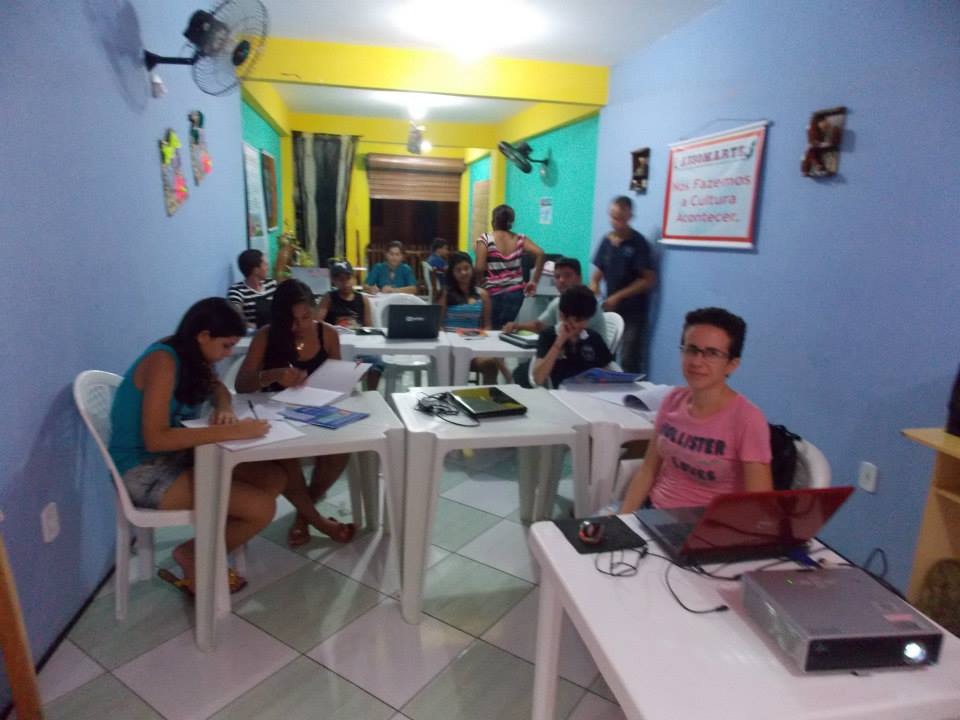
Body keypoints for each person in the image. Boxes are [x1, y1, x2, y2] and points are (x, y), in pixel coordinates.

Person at [109, 297, 286, 595]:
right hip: (143, 470)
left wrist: (223, 407)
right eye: (226, 346)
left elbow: (219, 388)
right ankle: (194, 554)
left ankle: (214, 539)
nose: (227, 354)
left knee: (273, 477)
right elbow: (156, 438)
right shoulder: (164, 360)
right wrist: (231, 432)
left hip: (177, 457)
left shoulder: (194, 355)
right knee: (262, 508)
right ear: (203, 336)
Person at [234, 280, 357, 546]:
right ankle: (317, 521)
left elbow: (337, 379)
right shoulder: (266, 336)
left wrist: (348, 377)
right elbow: (241, 384)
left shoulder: (327, 334)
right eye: (292, 320)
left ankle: (304, 514)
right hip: (276, 415)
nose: (300, 326)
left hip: (319, 412)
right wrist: (272, 375)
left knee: (340, 451)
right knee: (286, 457)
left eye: (306, 317)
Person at [620, 307, 772, 512]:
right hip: (655, 513)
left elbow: (759, 503)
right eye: (691, 350)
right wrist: (624, 519)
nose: (697, 362)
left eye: (712, 353)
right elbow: (648, 470)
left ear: (732, 364)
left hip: (710, 524)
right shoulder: (672, 400)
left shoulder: (747, 419)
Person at [589, 196, 656, 375]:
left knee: (629, 358)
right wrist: (594, 286)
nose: (615, 222)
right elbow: (597, 274)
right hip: (610, 308)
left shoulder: (638, 243)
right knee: (603, 354)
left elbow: (648, 280)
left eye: (620, 218)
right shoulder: (606, 241)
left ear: (629, 216)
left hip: (633, 311)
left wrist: (618, 296)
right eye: (613, 217)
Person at [316, 258, 383, 390]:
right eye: (340, 279)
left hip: (357, 344)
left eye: (348, 278)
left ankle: (371, 393)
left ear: (353, 278)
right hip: (336, 345)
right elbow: (317, 323)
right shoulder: (329, 298)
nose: (345, 283)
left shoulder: (362, 299)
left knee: (376, 360)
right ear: (334, 281)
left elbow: (368, 329)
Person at [475, 204, 545, 329]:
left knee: (489, 329)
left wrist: (478, 286)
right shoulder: (519, 238)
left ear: (493, 220)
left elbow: (479, 268)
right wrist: (534, 281)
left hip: (492, 293)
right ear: (511, 222)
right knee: (505, 328)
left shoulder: (485, 239)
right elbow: (540, 253)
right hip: (515, 294)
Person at [439, 252, 504, 384]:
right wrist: (447, 343)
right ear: (452, 273)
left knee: (491, 364)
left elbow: (487, 326)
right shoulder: (445, 294)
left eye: (466, 268)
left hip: (474, 346)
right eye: (458, 270)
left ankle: (489, 396)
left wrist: (482, 341)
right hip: (450, 347)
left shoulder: (482, 295)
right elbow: (438, 325)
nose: (463, 272)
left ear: (472, 269)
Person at [502, 257, 606, 337]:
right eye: (557, 276)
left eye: (567, 275)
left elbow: (573, 334)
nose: (561, 280)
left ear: (579, 278)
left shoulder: (588, 302)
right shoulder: (558, 302)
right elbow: (539, 325)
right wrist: (516, 326)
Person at [532, 286, 613, 388]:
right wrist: (559, 342)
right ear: (562, 316)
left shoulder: (593, 337)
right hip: (559, 393)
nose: (582, 325)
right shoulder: (548, 335)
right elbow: (538, 378)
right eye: (577, 320)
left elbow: (607, 371)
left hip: (590, 392)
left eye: (585, 320)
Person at [228, 249, 278, 328]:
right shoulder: (237, 291)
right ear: (256, 270)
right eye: (265, 265)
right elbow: (236, 319)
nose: (267, 268)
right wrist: (260, 329)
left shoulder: (272, 284)